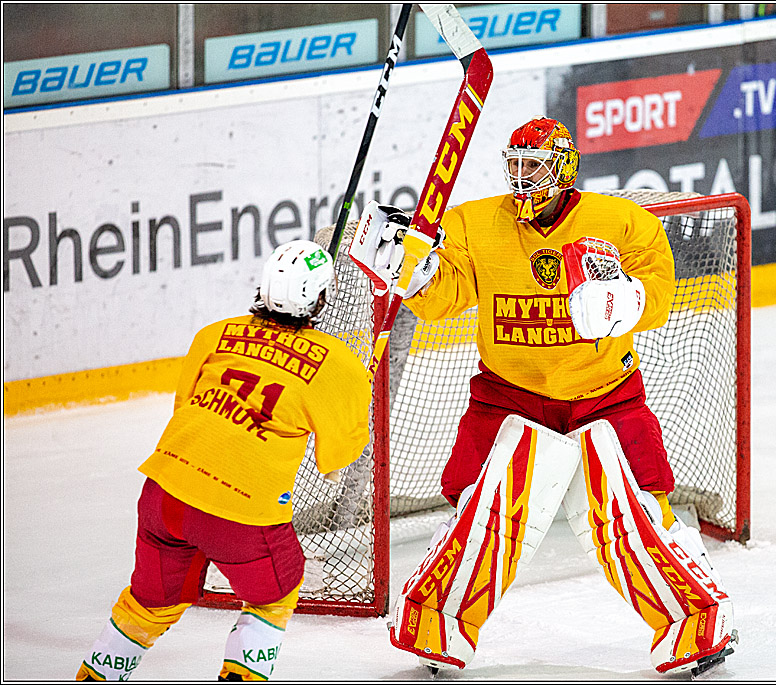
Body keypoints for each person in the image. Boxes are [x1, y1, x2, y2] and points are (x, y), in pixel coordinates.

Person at [350, 117, 735, 676]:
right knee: (472, 514)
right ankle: (436, 627)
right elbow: (446, 299)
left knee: (645, 513)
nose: (521, 179)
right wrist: (416, 275)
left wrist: (623, 301)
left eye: (533, 167)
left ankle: (699, 625)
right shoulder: (475, 223)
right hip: (509, 397)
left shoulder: (621, 222)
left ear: (564, 167)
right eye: (514, 166)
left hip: (607, 396)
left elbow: (658, 295)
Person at [76, 240, 372, 681]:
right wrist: (354, 388)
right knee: (276, 594)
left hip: (164, 495)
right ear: (322, 298)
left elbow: (185, 407)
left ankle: (96, 675)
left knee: (153, 600)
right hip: (242, 513)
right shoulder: (338, 364)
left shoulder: (214, 333)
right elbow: (340, 458)